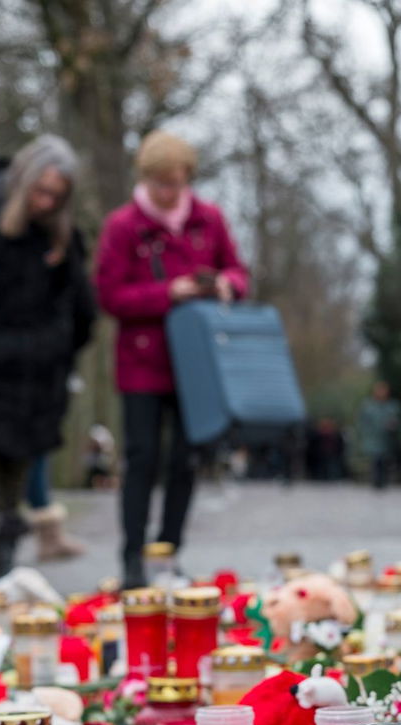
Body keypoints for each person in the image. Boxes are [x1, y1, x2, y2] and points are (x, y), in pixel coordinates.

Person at [95, 130, 248, 588]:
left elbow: (239, 271)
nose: (168, 194)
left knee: (186, 459)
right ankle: (132, 558)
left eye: (176, 184)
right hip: (142, 364)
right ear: (146, 179)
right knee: (141, 459)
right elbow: (110, 294)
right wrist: (168, 292)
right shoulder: (124, 227)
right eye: (161, 184)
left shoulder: (209, 220)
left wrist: (226, 286)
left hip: (196, 366)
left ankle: (169, 553)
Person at [0, 135, 96, 585]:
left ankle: (5, 584)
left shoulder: (63, 238)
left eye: (56, 195)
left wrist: (50, 350)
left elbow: (79, 310)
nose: (45, 202)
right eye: (40, 191)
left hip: (38, 386)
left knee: (14, 496)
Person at [357, 381, 401, 489]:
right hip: (373, 439)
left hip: (387, 440)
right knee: (376, 460)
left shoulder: (393, 405)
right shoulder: (368, 406)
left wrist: (393, 425)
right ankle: (376, 482)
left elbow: (398, 420)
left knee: (385, 461)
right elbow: (362, 423)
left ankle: (384, 481)